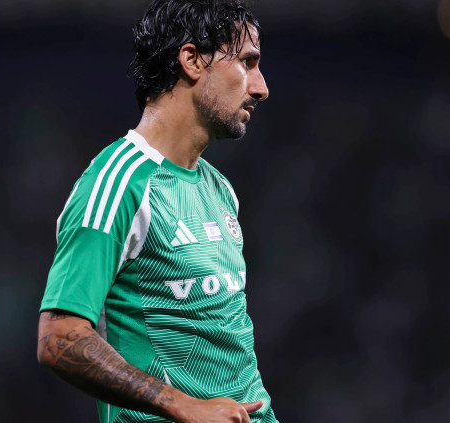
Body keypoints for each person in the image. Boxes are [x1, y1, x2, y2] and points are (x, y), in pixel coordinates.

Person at [37, 1, 275, 422]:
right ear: (192, 60)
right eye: (247, 62)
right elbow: (58, 338)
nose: (261, 87)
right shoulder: (117, 183)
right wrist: (184, 406)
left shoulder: (219, 188)